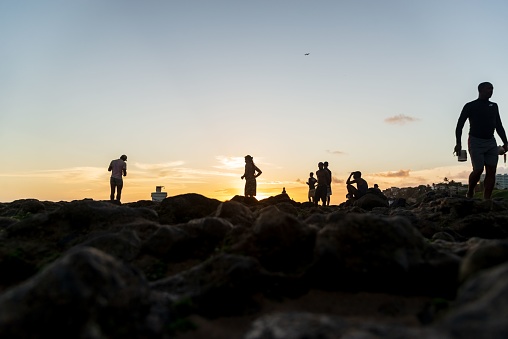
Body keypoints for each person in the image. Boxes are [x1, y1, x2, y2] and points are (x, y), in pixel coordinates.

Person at [455, 82, 508, 199]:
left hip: (491, 142)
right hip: (475, 141)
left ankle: (487, 199)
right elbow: (460, 125)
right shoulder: (470, 106)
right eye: (489, 89)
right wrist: (458, 143)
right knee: (478, 170)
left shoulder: (494, 106)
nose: (491, 91)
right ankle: (470, 191)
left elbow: (499, 125)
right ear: (481, 90)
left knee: (491, 171)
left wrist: (505, 142)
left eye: (492, 89)